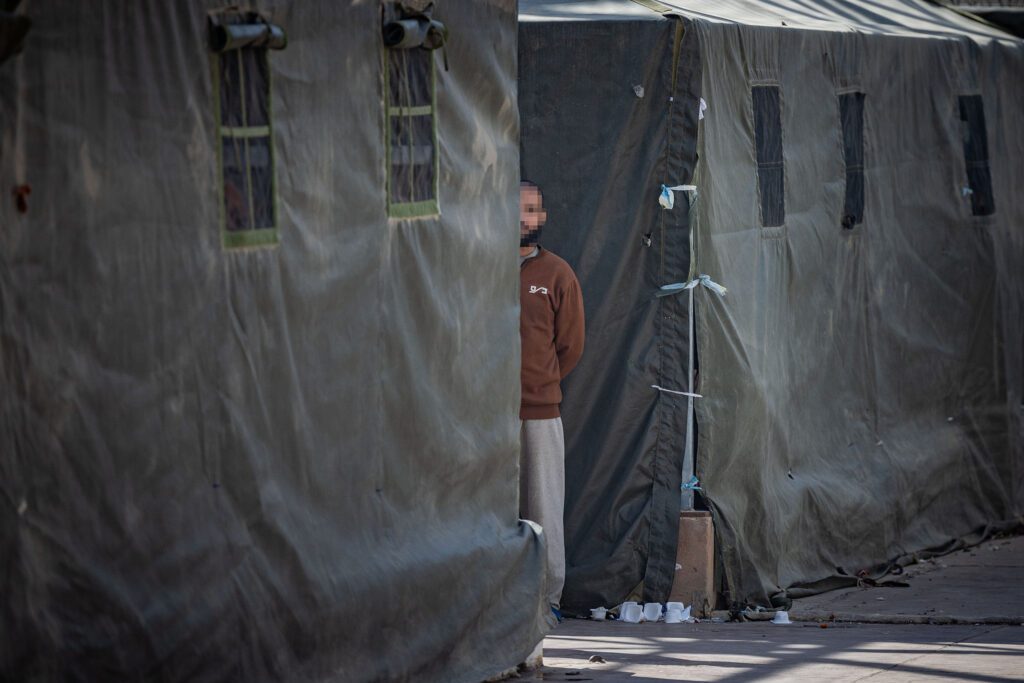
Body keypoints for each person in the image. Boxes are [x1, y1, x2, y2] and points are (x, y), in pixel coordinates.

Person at [518, 180, 585, 618]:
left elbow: (571, 345)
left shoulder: (557, 273)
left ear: (542, 219)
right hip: (484, 416)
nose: (522, 218)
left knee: (543, 511)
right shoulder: (479, 265)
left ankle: (547, 603)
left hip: (540, 414)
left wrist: (542, 385)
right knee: (492, 511)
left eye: (530, 210)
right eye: (515, 209)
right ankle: (501, 604)